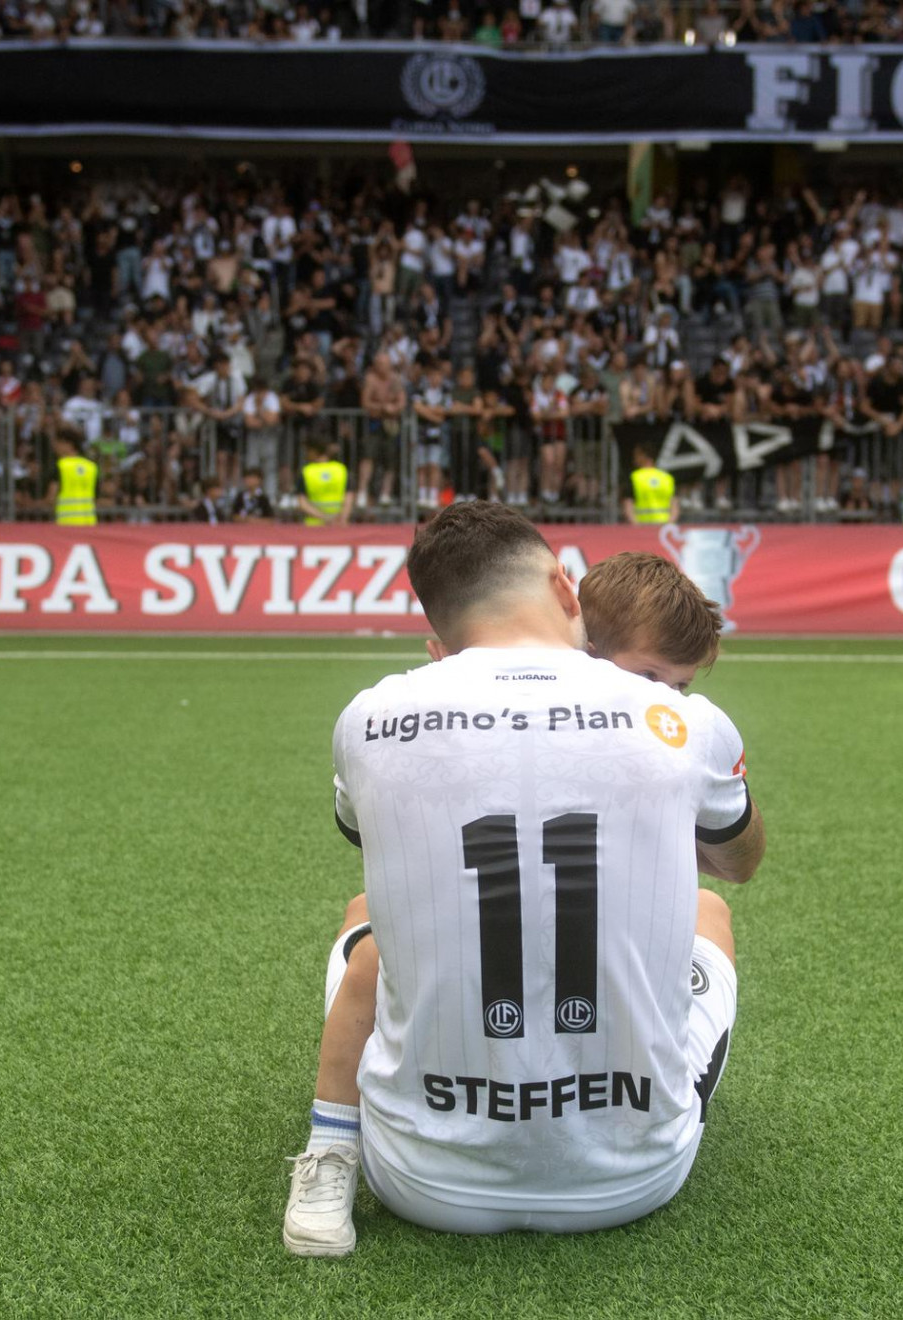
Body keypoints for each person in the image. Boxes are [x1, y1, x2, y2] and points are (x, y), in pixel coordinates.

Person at [282, 507, 763, 1254]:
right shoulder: (682, 719)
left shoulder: (370, 716)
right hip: (631, 1179)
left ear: (438, 637)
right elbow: (742, 860)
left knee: (367, 919)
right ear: (564, 588)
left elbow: (370, 837)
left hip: (422, 1181)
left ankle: (330, 1150)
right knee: (710, 909)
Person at [49, 427, 98, 527]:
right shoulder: (91, 466)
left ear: (69, 444)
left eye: (58, 443)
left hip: (66, 522)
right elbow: (95, 497)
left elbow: (51, 497)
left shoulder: (60, 466)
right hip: (89, 521)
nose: (55, 447)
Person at [623, 444, 678, 526]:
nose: (634, 459)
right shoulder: (667, 478)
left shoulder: (634, 478)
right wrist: (669, 523)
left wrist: (636, 524)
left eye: (637, 455)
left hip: (642, 526)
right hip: (664, 526)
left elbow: (628, 504)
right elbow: (674, 505)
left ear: (644, 456)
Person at [301, 440, 351, 527]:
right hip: (339, 525)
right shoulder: (341, 469)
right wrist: (343, 518)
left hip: (313, 526)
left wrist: (325, 518)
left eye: (307, 451)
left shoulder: (306, 471)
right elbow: (349, 498)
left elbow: (302, 503)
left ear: (314, 451)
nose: (306, 454)